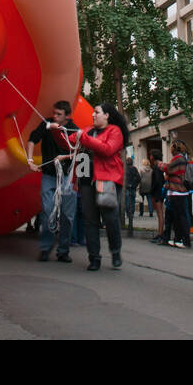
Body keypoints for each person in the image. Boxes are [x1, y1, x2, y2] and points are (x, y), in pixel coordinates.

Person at [61, 103, 126, 271]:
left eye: (97, 112)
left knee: (110, 218)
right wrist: (60, 130)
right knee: (90, 221)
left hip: (106, 180)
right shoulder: (87, 129)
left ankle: (115, 250)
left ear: (107, 115)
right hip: (85, 179)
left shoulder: (114, 132)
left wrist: (84, 138)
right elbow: (70, 142)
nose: (93, 115)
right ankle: (94, 257)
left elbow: (107, 149)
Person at [28, 100, 78, 263]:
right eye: (54, 113)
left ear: (67, 116)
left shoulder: (74, 130)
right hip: (49, 176)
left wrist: (66, 156)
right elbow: (32, 138)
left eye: (59, 114)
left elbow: (81, 152)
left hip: (67, 177)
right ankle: (45, 248)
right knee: (47, 211)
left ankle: (63, 250)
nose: (55, 117)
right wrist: (29, 160)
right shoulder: (47, 124)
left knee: (67, 215)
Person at [161, 141, 193, 249]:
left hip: (177, 191)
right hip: (181, 191)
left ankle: (184, 240)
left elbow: (168, 168)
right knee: (179, 216)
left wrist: (160, 164)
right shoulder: (185, 159)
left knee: (180, 217)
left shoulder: (177, 159)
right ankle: (178, 239)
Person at [148, 151, 166, 241]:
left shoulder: (157, 167)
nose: (149, 156)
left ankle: (160, 233)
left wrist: (152, 191)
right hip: (159, 192)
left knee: (160, 213)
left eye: (150, 155)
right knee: (160, 213)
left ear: (153, 157)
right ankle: (160, 233)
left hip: (157, 192)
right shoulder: (159, 166)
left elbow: (158, 181)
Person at [123, 154, 140, 229]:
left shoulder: (124, 169)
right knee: (132, 201)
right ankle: (131, 213)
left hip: (126, 187)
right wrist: (135, 185)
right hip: (132, 187)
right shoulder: (134, 169)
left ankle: (128, 213)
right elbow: (138, 178)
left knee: (126, 201)